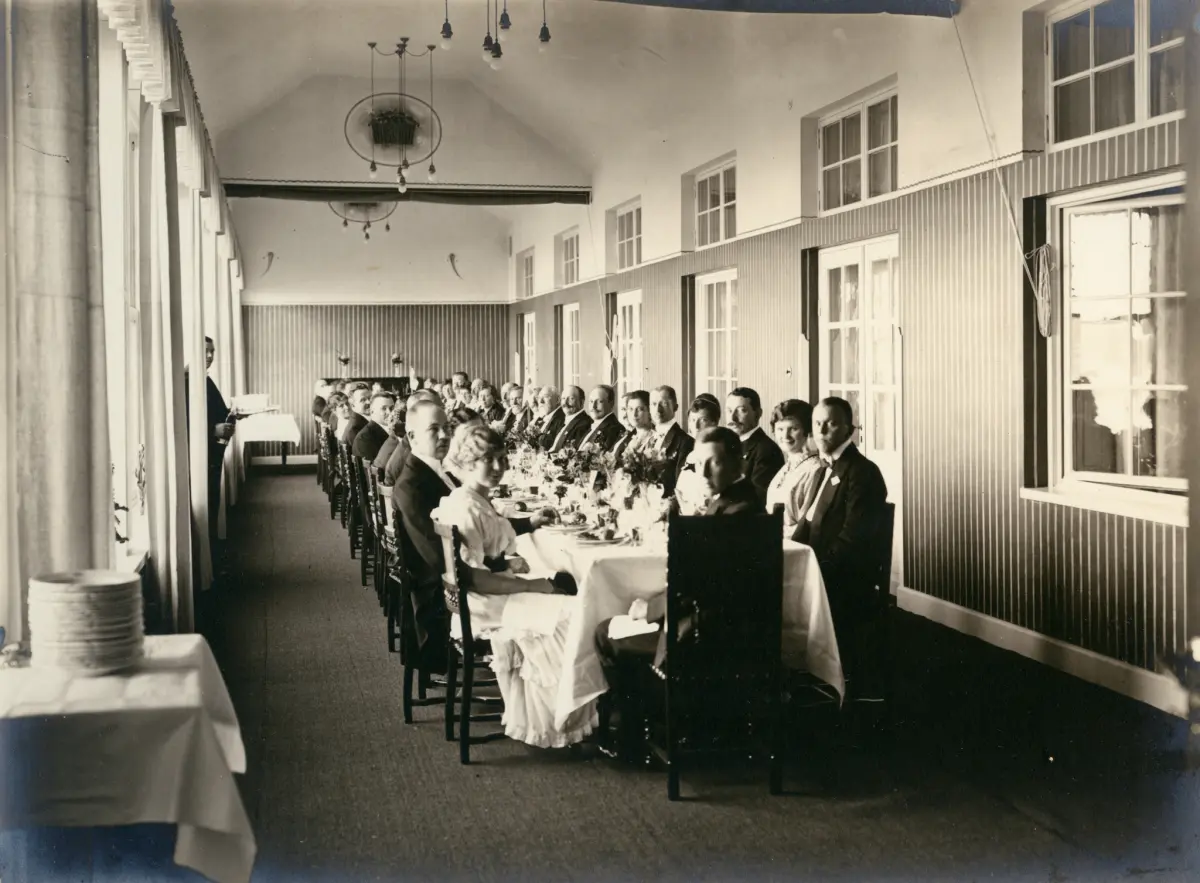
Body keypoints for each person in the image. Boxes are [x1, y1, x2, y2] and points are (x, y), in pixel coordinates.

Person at [593, 427, 758, 760]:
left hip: (708, 634)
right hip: (723, 625)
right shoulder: (735, 502)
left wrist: (651, 609)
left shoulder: (736, 513)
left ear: (739, 463)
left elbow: (702, 586)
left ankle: (639, 733)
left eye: (717, 463)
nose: (706, 473)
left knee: (606, 631)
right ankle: (652, 721)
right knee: (620, 623)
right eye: (700, 465)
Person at [432, 426, 596, 748]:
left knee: (566, 597)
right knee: (574, 613)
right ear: (467, 462)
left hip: (486, 595)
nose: (498, 467)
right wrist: (535, 585)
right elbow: (476, 578)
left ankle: (560, 712)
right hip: (482, 604)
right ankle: (558, 718)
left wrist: (513, 569)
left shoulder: (475, 499)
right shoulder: (466, 507)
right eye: (486, 460)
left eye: (502, 458)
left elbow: (487, 561)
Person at [792, 397, 889, 647]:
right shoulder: (822, 467)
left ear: (849, 428)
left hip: (843, 576)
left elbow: (854, 538)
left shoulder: (862, 472)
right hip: (815, 565)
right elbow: (808, 521)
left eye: (831, 423)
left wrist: (816, 570)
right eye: (817, 423)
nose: (821, 431)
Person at [765, 399, 823, 538]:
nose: (785, 436)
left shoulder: (815, 469)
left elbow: (807, 524)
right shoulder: (786, 468)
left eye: (793, 429)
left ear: (807, 431)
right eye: (780, 429)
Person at [725, 386, 784, 506]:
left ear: (758, 414)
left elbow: (756, 500)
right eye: (729, 410)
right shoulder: (728, 445)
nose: (732, 418)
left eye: (741, 410)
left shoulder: (766, 450)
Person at [646, 386, 693, 495]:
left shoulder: (685, 441)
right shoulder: (648, 438)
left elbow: (681, 487)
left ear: (675, 407)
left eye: (664, 404)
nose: (658, 409)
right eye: (653, 404)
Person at [576, 385, 624, 452]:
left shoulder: (614, 429)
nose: (593, 406)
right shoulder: (590, 426)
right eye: (591, 401)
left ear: (611, 403)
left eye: (599, 401)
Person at [352, 391, 395, 461]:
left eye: (392, 408)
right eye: (384, 408)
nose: (390, 412)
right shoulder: (364, 439)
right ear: (372, 411)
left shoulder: (393, 429)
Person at [547, 385, 592, 453]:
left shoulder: (585, 424)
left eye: (571, 398)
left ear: (582, 402)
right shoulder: (562, 421)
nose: (565, 403)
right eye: (563, 398)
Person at [611, 389, 654, 460]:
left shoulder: (654, 439)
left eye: (639, 409)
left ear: (650, 411)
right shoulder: (631, 436)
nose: (634, 414)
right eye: (630, 409)